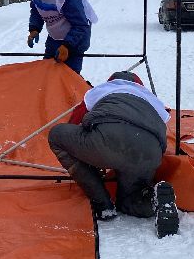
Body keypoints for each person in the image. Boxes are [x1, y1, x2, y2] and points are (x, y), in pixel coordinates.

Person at [47, 71, 180, 237]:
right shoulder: (153, 101)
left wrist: (90, 153)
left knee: (57, 135)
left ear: (111, 81)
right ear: (140, 86)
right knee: (130, 200)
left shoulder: (102, 90)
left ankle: (102, 203)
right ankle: (153, 201)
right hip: (148, 152)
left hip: (108, 140)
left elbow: (74, 122)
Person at [19, 0, 98, 74]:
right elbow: (36, 10)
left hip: (76, 39)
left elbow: (81, 25)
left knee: (68, 76)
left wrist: (67, 46)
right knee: (48, 71)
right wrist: (34, 28)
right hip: (55, 36)